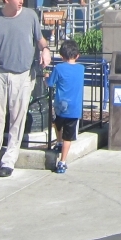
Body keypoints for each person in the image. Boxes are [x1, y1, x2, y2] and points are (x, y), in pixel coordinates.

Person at [0, 0, 50, 178]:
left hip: (22, 74)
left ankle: (8, 160)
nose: (21, 1)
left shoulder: (30, 16)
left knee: (17, 118)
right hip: (0, 72)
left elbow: (40, 39)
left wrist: (45, 49)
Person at [47, 39, 85, 174]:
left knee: (57, 123)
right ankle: (62, 162)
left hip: (60, 105)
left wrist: (46, 76)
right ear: (77, 55)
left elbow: (50, 83)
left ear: (61, 55)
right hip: (74, 108)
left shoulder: (58, 68)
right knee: (68, 136)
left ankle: (58, 142)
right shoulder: (81, 69)